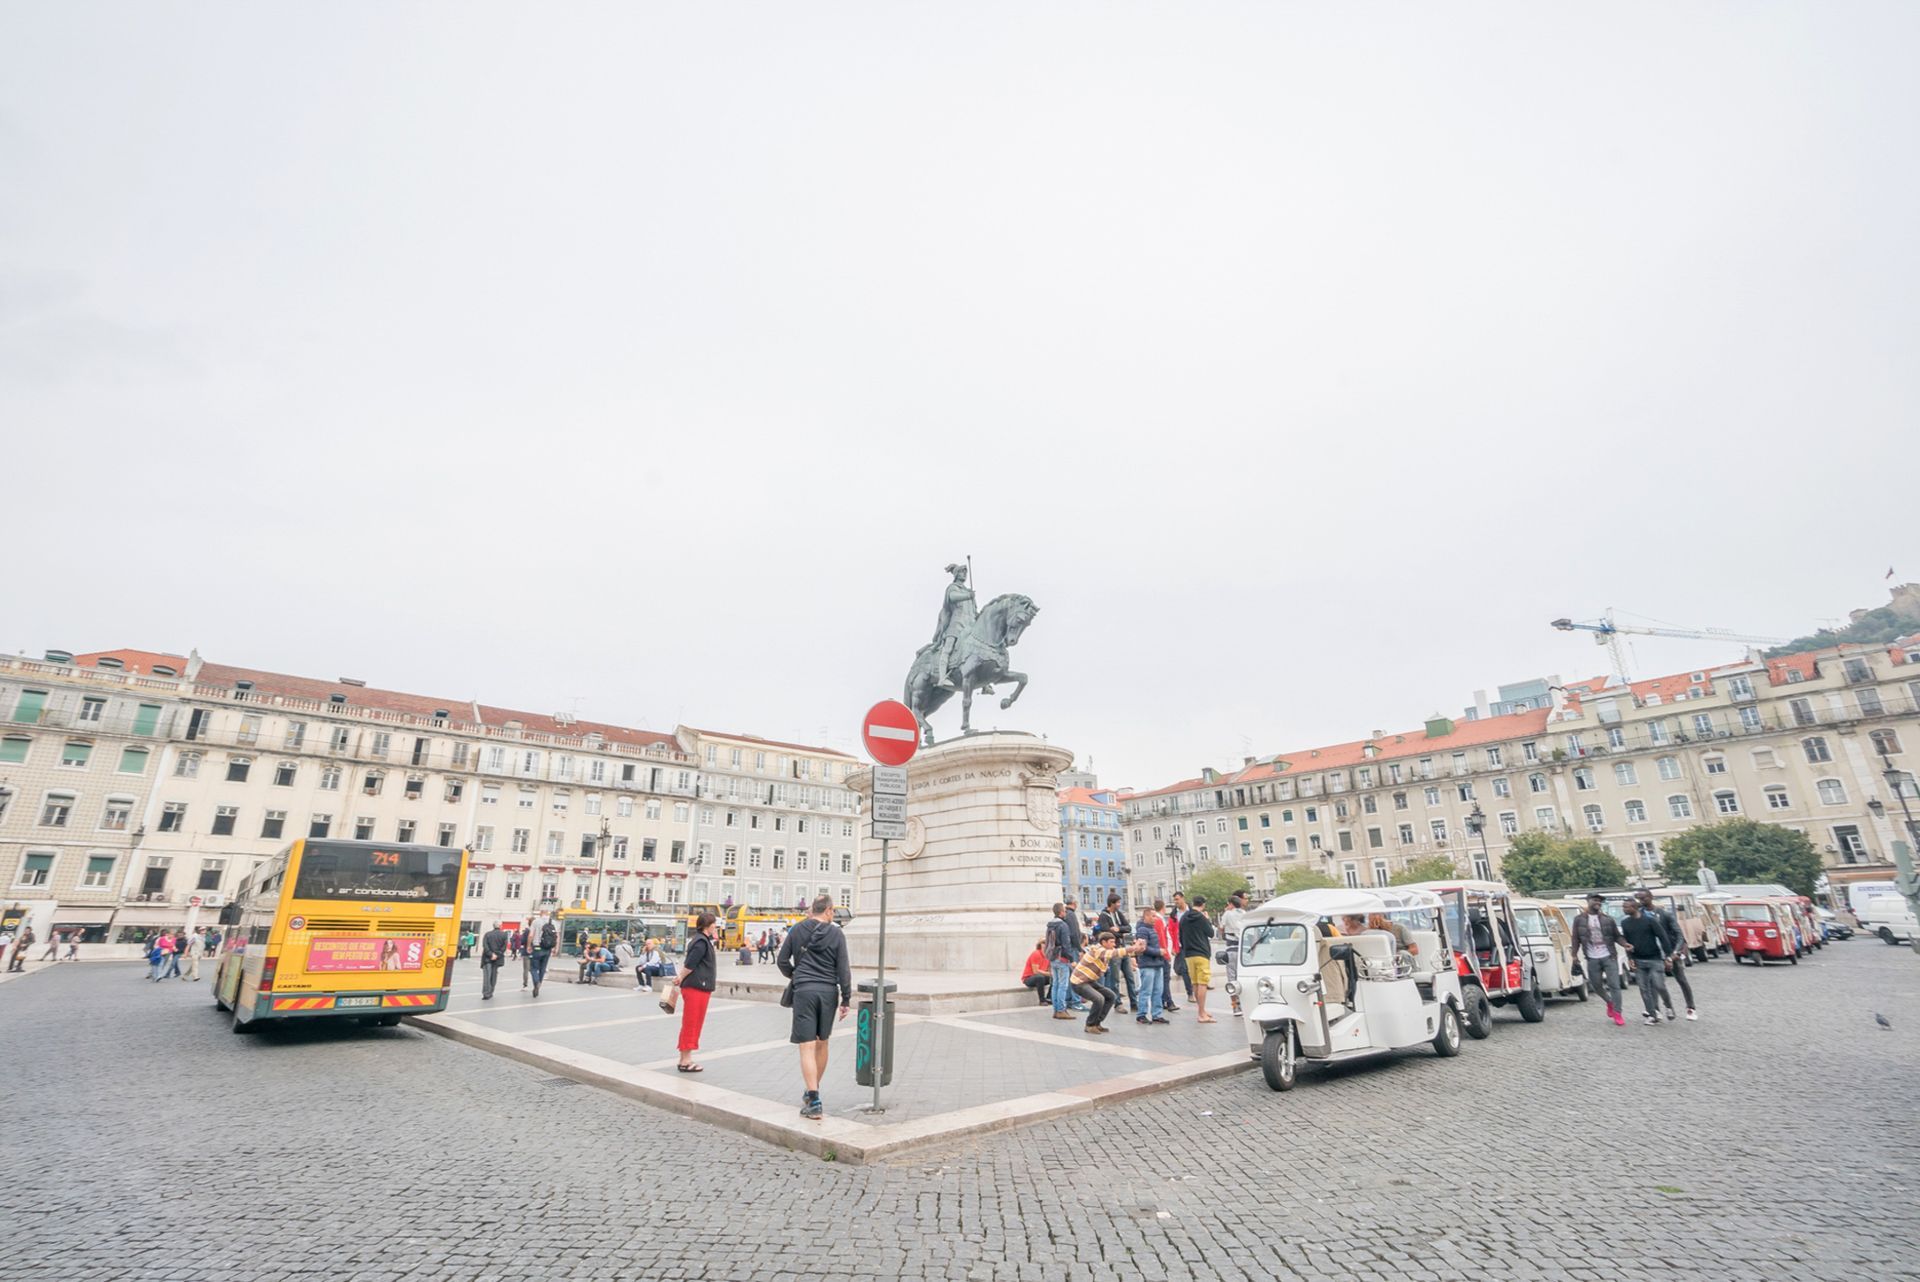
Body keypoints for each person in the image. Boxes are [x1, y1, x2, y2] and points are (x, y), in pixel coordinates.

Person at [777, 895, 854, 1120]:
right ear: (829, 911)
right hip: (829, 992)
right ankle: (814, 1092)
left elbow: (782, 961)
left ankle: (813, 1097)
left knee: (806, 1046)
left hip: (805, 992)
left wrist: (797, 976)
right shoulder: (837, 933)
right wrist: (846, 999)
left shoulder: (798, 929)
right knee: (822, 1043)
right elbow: (844, 968)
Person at [1635, 890, 1697, 1021]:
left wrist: (1675, 952)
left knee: (1681, 979)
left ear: (1651, 897)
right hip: (1653, 954)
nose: (1641, 901)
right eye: (1639, 899)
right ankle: (1655, 1009)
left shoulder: (1664, 914)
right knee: (1653, 982)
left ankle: (1690, 1008)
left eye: (1644, 898)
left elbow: (1679, 935)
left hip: (1669, 952)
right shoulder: (1639, 916)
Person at [1068, 930, 1143, 1034]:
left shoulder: (1105, 952)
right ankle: (1090, 1025)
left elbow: (1118, 953)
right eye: (1111, 942)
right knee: (1098, 999)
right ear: (1103, 942)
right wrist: (1133, 947)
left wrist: (1138, 949)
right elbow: (1114, 953)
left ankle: (1097, 1023)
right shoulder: (1097, 950)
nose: (1114, 944)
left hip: (1088, 980)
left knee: (1111, 996)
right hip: (1079, 981)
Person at [673, 913, 720, 1073]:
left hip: (698, 987)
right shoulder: (701, 942)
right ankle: (686, 1061)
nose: (716, 926)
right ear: (708, 925)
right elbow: (690, 964)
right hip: (696, 987)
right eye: (714, 923)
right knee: (692, 1023)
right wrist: (680, 977)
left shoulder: (702, 940)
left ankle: (684, 1058)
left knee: (693, 1023)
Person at [1570, 894, 1626, 1027]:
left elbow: (1616, 936)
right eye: (1595, 900)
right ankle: (1609, 1002)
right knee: (1596, 985)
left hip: (1609, 956)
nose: (1598, 903)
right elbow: (1575, 938)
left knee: (1614, 985)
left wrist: (1625, 944)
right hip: (1591, 957)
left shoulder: (1608, 919)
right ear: (1588, 902)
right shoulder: (1579, 919)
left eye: (1600, 901)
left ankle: (1618, 1013)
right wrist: (1574, 955)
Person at [1619, 898, 1672, 1027]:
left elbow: (1663, 937)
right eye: (1623, 907)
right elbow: (1627, 942)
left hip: (1654, 958)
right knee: (1643, 989)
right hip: (1638, 960)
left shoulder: (1650, 921)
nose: (1624, 909)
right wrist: (1630, 958)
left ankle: (1668, 1006)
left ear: (1634, 907)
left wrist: (1668, 957)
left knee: (1659, 985)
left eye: (1626, 907)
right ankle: (1652, 1014)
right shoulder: (1625, 923)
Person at [1095, 893, 1138, 1014]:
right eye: (1118, 902)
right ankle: (1117, 1003)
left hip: (1123, 949)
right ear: (1112, 903)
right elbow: (1106, 933)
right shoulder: (1103, 916)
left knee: (1130, 977)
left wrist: (1118, 929)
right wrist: (1120, 934)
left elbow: (1128, 928)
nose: (1120, 904)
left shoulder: (1118, 914)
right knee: (1115, 979)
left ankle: (1134, 1003)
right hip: (1113, 951)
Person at [1179, 896, 1217, 1022]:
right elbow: (1211, 933)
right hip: (1201, 953)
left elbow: (1180, 936)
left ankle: (1201, 1010)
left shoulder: (1184, 917)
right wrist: (1207, 919)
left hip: (1189, 954)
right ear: (1203, 905)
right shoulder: (1201, 917)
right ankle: (1201, 1014)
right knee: (1203, 983)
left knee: (1195, 983)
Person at [1045, 903, 1084, 1018]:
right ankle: (1061, 1010)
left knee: (1056, 984)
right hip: (1062, 957)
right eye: (1064, 911)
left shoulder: (1050, 925)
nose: (1065, 913)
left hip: (1053, 957)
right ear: (1061, 912)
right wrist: (1071, 958)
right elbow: (1066, 944)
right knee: (1063, 985)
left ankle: (1056, 1009)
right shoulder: (1063, 925)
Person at [1133, 906, 1170, 1024]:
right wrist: (1158, 951)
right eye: (1153, 916)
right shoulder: (1143, 930)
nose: (1155, 918)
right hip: (1147, 964)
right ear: (1146, 916)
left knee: (1158, 990)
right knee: (1146, 990)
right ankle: (1141, 1014)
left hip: (1157, 963)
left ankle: (1156, 1014)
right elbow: (1142, 948)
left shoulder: (1151, 929)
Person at [1219, 892, 1250, 1015]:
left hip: (1231, 949)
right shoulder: (1245, 914)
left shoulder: (1227, 914)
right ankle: (1245, 1004)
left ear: (1231, 904)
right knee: (1243, 978)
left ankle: (1235, 1006)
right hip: (1244, 949)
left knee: (1232, 979)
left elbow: (1221, 927)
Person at [1151, 900, 1181, 1011]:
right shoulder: (1159, 920)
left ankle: (1163, 1000)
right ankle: (1168, 1001)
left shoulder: (1158, 920)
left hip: (1161, 952)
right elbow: (1162, 938)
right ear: (1163, 907)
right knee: (1165, 978)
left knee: (1162, 979)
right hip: (1163, 953)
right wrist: (1166, 953)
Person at [1168, 893, 1196, 1004]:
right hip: (1181, 945)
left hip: (1193, 944)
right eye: (1174, 900)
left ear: (1183, 899)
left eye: (1177, 899)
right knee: (1184, 969)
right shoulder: (1174, 915)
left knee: (1195, 967)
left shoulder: (1192, 912)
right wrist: (1173, 947)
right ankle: (1190, 993)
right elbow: (1171, 931)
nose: (1176, 902)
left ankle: (1200, 986)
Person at [528, 915, 557, 997]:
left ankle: (536, 982)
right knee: (543, 968)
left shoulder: (535, 921)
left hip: (537, 947)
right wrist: (555, 949)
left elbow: (530, 935)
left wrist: (528, 946)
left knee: (533, 968)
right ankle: (539, 983)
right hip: (547, 949)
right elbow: (556, 937)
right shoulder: (553, 922)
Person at [478, 923, 510, 1000]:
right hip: (497, 959)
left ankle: (486, 993)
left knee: (487, 976)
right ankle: (491, 991)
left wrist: (491, 954)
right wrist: (497, 955)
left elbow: (485, 946)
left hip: (487, 958)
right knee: (494, 975)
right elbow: (504, 947)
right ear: (500, 926)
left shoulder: (487, 934)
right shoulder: (504, 935)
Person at [1020, 940, 1052, 1005]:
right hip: (1028, 978)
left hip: (1041, 976)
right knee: (1040, 977)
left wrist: (1050, 974)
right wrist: (1048, 973)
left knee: (1054, 978)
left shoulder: (1049, 956)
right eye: (1043, 943)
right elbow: (1035, 971)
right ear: (1040, 945)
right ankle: (1042, 1000)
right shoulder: (1036, 954)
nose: (1045, 944)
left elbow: (1050, 971)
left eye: (1047, 943)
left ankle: (1049, 998)